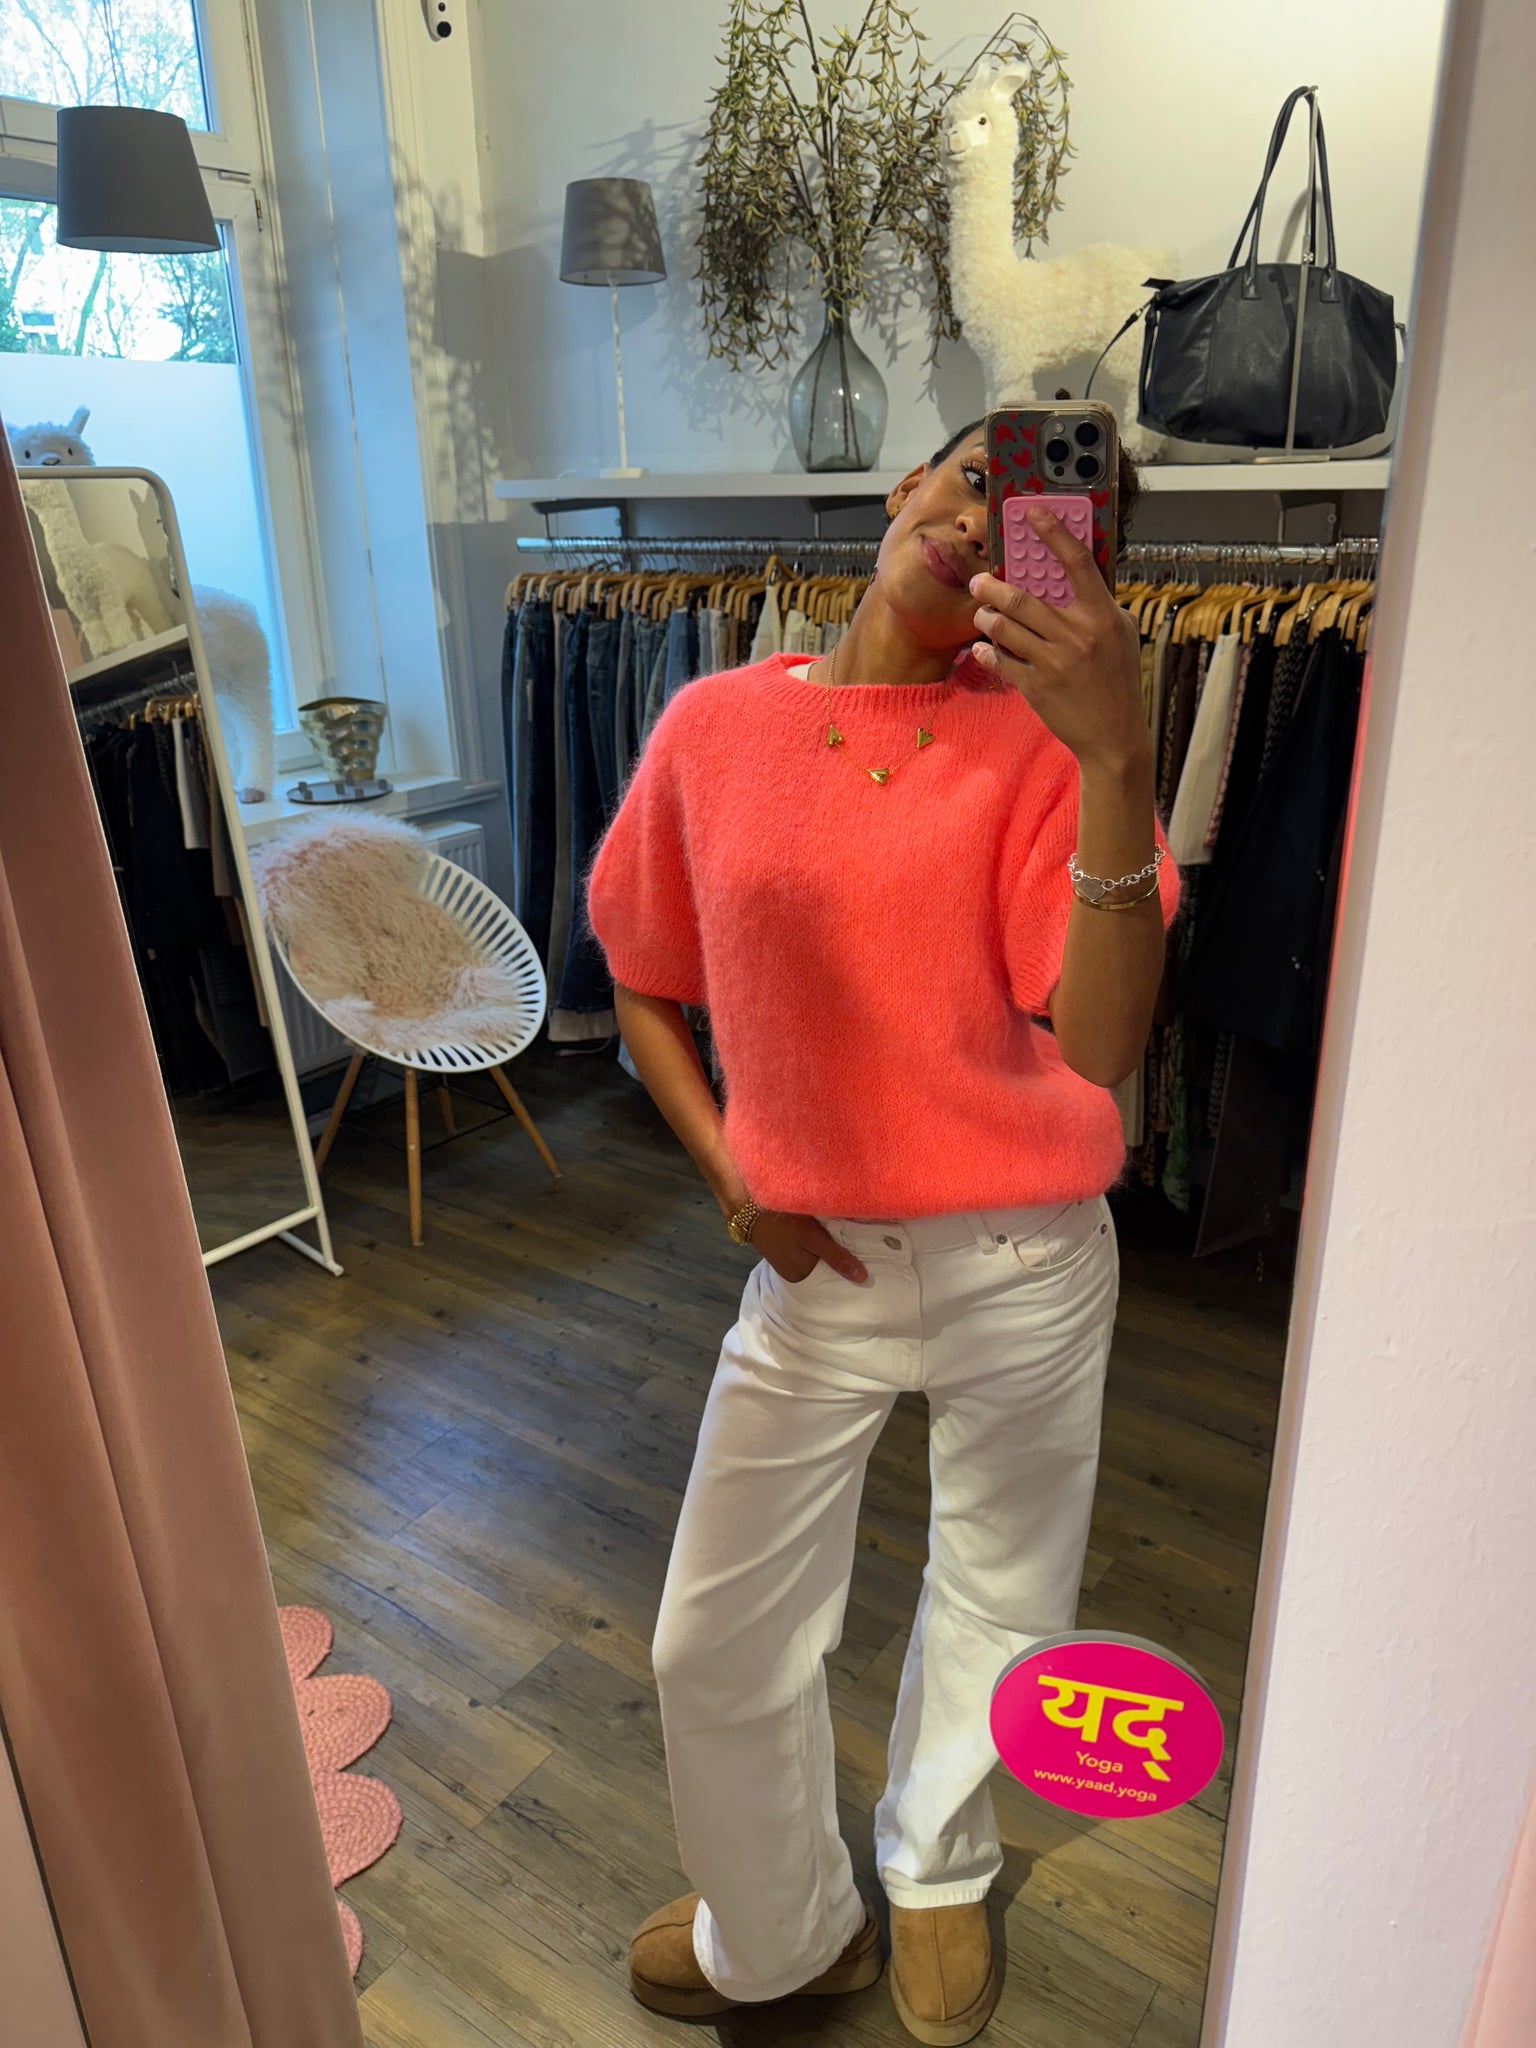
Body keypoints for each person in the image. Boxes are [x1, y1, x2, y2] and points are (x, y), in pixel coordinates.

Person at [585, 418, 1181, 2046]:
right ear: (909, 484)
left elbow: (1102, 1043)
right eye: (978, 478)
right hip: (816, 1268)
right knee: (713, 1639)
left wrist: (1119, 761)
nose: (987, 524)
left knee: (1003, 1591)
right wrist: (732, 1173)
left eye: (1045, 520)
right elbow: (640, 972)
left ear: (1075, 578)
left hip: (1024, 1258)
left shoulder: (1057, 751)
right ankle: (783, 1929)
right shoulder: (715, 725)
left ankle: (937, 1872)